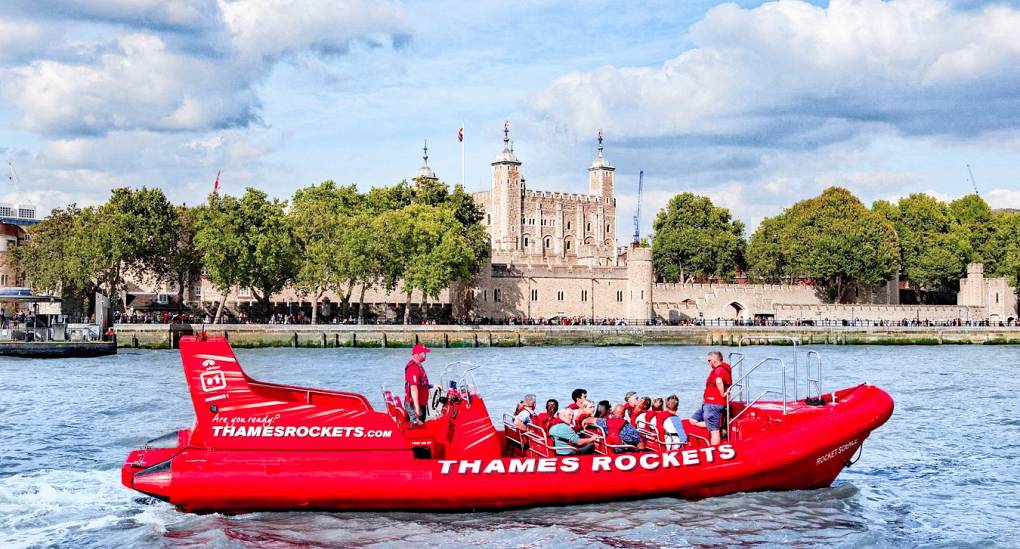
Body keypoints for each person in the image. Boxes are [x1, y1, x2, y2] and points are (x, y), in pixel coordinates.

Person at [691, 351, 732, 445]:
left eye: (709, 360)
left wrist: (722, 394)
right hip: (709, 403)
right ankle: (712, 424)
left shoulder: (719, 370)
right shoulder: (722, 369)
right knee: (693, 420)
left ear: (714, 361)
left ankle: (715, 448)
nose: (708, 363)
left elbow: (719, 381)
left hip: (713, 403)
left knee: (714, 431)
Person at [404, 343, 432, 424]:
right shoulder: (413, 368)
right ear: (418, 354)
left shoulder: (418, 366)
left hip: (420, 402)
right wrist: (417, 408)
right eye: (424, 353)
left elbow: (421, 383)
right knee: (417, 427)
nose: (426, 354)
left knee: (421, 423)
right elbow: (413, 388)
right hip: (414, 404)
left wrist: (432, 386)